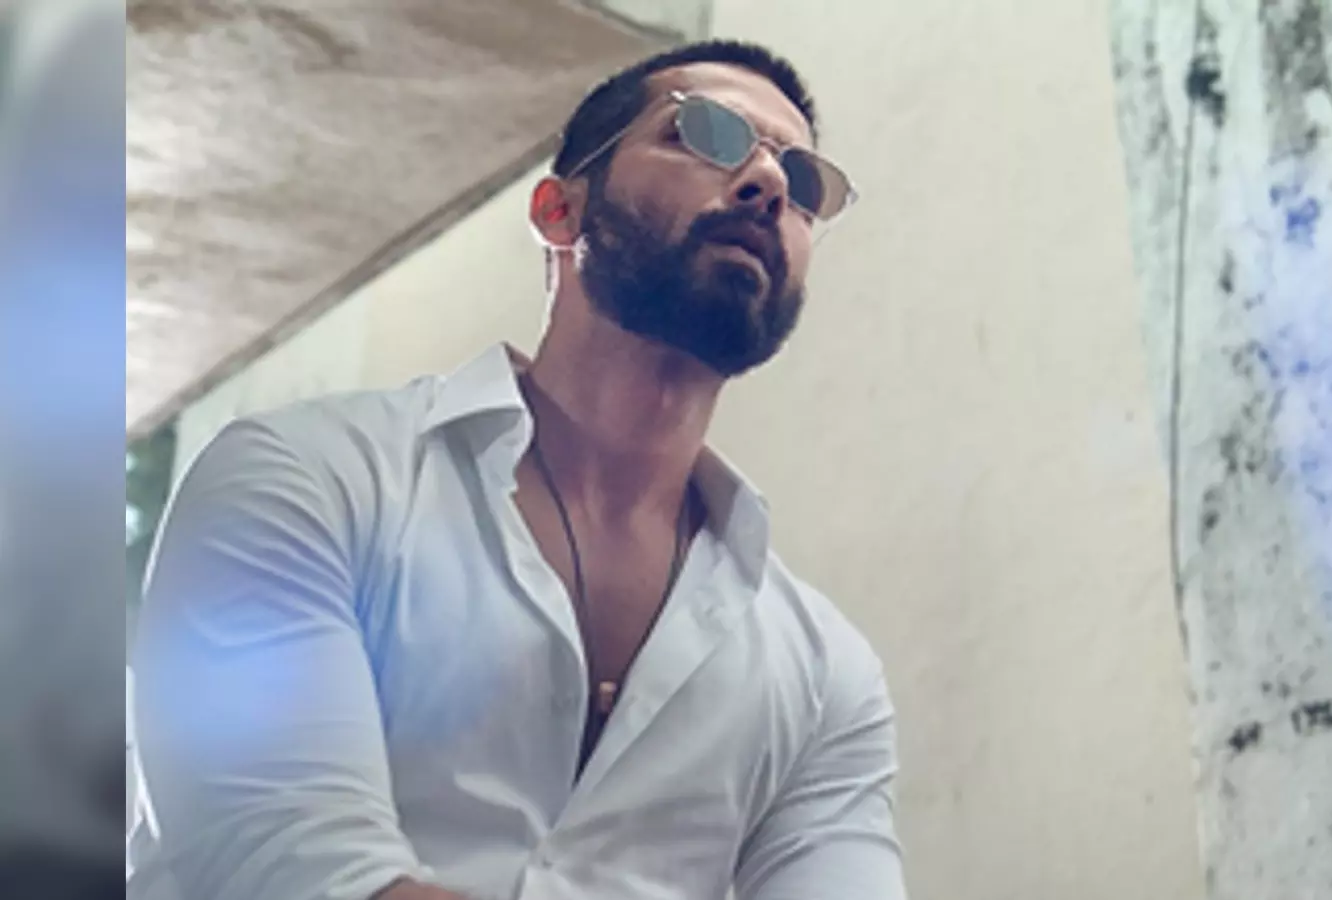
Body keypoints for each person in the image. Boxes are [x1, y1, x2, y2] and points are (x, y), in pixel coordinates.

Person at [128, 39, 905, 900]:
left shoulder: (826, 675)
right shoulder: (306, 480)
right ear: (558, 212)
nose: (765, 182)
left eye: (800, 180)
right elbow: (301, 870)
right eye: (706, 133)